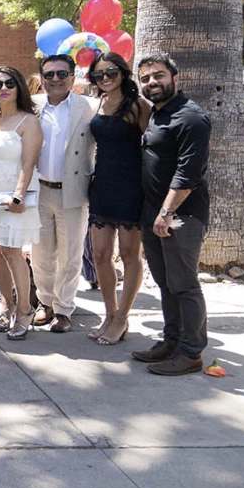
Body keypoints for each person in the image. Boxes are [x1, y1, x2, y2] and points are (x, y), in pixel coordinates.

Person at [134, 53, 212, 376]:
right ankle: (172, 342)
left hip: (181, 215)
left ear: (175, 78)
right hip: (154, 213)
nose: (152, 82)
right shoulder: (158, 114)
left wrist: (166, 213)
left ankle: (191, 352)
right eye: (146, 77)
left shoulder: (191, 118)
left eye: (159, 75)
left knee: (184, 284)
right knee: (166, 282)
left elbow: (188, 174)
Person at [29, 54, 98, 334]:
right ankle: (44, 303)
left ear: (72, 77)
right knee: (41, 254)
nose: (55, 79)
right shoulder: (32, 107)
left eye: (61, 74)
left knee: (70, 254)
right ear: (42, 78)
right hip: (40, 190)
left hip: (73, 192)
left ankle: (64, 308)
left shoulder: (89, 107)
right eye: (49, 75)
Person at [86, 52, 151, 346]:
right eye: (99, 74)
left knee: (129, 255)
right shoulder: (96, 103)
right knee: (100, 254)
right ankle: (109, 313)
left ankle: (123, 317)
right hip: (102, 185)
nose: (106, 78)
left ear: (123, 72)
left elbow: (154, 148)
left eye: (111, 71)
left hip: (131, 187)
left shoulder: (139, 106)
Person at [0, 66, 41, 340]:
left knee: (13, 252)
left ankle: (25, 310)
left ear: (19, 88)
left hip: (16, 192)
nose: (3, 88)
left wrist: (18, 195)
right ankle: (6, 303)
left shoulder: (29, 122)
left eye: (10, 83)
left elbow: (29, 162)